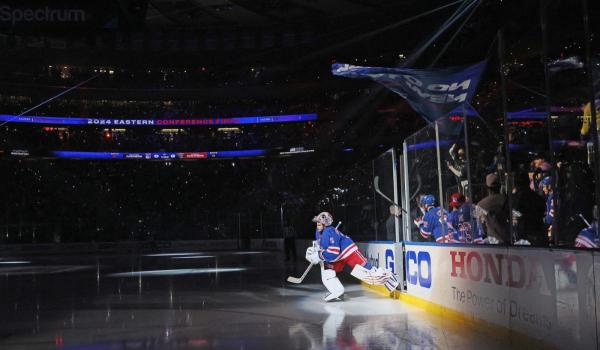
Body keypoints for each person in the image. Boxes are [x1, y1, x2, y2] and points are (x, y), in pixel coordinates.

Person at [305, 212, 398, 302]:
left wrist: (319, 255)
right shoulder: (319, 232)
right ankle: (337, 292)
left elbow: (333, 252)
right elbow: (322, 246)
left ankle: (390, 278)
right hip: (338, 257)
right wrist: (315, 251)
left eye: (320, 222)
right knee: (327, 272)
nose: (317, 224)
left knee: (366, 273)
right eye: (317, 222)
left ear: (325, 224)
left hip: (348, 252)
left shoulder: (329, 232)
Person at [511, 171, 546, 246]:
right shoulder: (538, 198)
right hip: (536, 237)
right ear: (528, 182)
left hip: (527, 237)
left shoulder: (515, 199)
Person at [475, 173, 509, 244]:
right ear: (499, 186)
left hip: (491, 244)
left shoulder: (480, 205)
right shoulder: (507, 200)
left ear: (487, 188)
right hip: (508, 242)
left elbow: (481, 229)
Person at [541, 176, 554, 243]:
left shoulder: (554, 197)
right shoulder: (550, 196)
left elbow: (552, 215)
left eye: (544, 186)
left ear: (549, 186)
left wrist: (545, 222)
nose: (543, 189)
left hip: (553, 227)